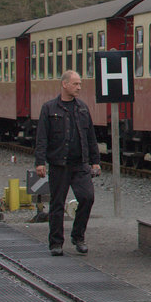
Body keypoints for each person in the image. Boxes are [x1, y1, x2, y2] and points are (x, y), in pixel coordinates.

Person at [35, 70, 101, 256]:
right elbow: (42, 137)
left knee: (87, 198)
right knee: (57, 204)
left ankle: (78, 236)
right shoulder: (49, 108)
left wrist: (95, 162)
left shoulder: (82, 108)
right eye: (75, 84)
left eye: (80, 84)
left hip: (80, 164)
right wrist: (40, 162)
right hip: (59, 164)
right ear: (64, 84)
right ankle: (56, 243)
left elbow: (91, 137)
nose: (79, 87)